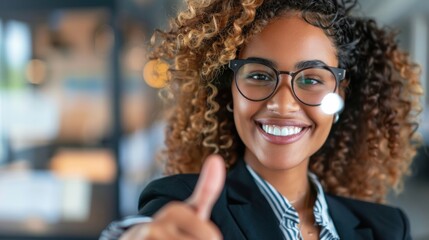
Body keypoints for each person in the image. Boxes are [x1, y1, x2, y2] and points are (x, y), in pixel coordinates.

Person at [100, 0, 423, 239]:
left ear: (340, 93)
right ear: (230, 93)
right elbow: (146, 231)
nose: (282, 104)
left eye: (311, 79)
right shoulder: (183, 203)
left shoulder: (388, 228)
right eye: (258, 75)